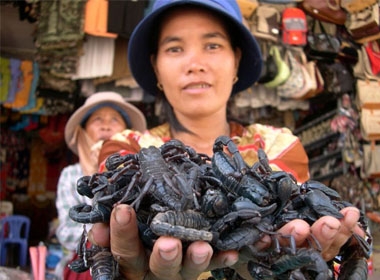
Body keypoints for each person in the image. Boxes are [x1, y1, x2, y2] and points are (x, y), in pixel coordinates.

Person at [88, 1, 367, 279]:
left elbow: (285, 212)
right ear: (156, 67)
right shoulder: (126, 145)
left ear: (236, 60)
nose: (194, 64)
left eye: (212, 45)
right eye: (175, 49)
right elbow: (110, 213)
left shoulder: (275, 143)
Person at [55, 91, 147, 279]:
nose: (106, 125)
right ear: (84, 130)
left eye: (115, 119)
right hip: (90, 267)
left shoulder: (141, 171)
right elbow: (65, 231)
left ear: (126, 132)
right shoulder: (72, 175)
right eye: (97, 119)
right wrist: (113, 233)